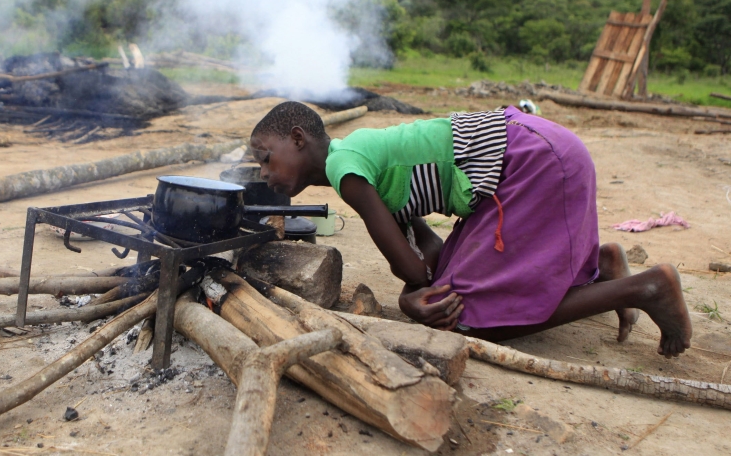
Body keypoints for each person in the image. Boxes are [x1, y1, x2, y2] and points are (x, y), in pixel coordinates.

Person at [249, 101, 692, 357]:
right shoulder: (362, 157)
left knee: (466, 320)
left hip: (530, 161)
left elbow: (414, 271)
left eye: (266, 158)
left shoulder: (346, 170)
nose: (265, 174)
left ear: (298, 138)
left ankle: (647, 288)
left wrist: (409, 299)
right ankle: (601, 265)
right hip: (537, 147)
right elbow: (430, 256)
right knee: (454, 288)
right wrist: (422, 287)